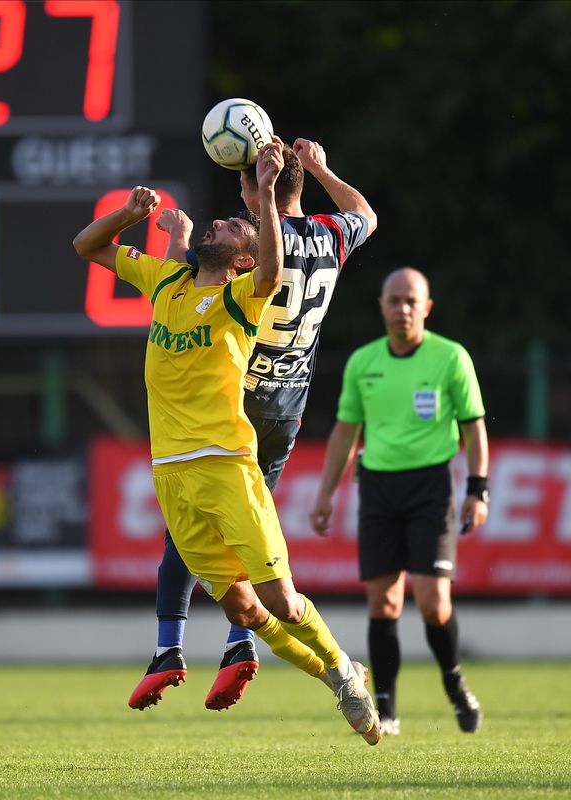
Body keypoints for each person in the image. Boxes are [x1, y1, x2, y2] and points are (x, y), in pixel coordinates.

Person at [73, 146, 382, 746]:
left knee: (284, 605)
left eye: (234, 226)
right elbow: (86, 246)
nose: (220, 221)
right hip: (172, 477)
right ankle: (331, 675)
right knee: (245, 611)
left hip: (228, 468)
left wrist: (264, 195)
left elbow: (272, 272)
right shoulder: (167, 279)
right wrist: (126, 217)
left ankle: (344, 672)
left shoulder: (243, 298)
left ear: (242, 258)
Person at [309, 267, 487, 736]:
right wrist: (327, 493)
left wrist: (477, 489)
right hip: (378, 489)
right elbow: (346, 430)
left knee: (433, 602)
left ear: (426, 307)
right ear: (382, 305)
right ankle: (385, 705)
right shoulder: (363, 362)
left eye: (411, 300)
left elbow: (473, 426)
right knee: (383, 602)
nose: (402, 308)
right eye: (394, 300)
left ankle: (453, 682)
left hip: (431, 487)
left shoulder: (451, 358)